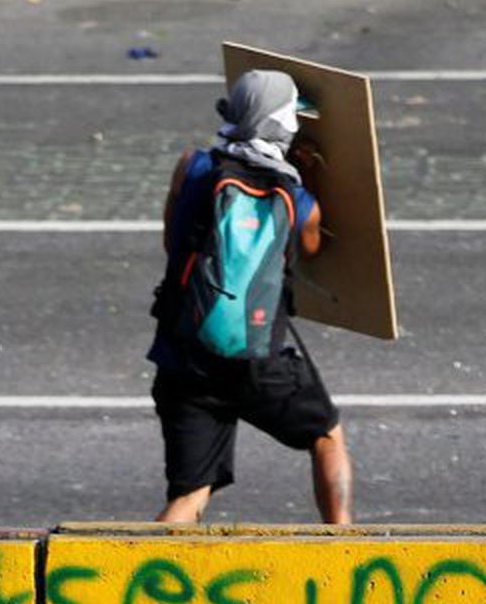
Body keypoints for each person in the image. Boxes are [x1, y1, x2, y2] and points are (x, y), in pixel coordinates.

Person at [148, 68, 353, 526]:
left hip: (184, 354)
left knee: (190, 493)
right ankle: (344, 544)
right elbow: (312, 251)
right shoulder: (298, 202)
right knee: (326, 436)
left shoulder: (191, 168)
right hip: (258, 358)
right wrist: (309, 181)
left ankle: (133, 580)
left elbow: (172, 244)